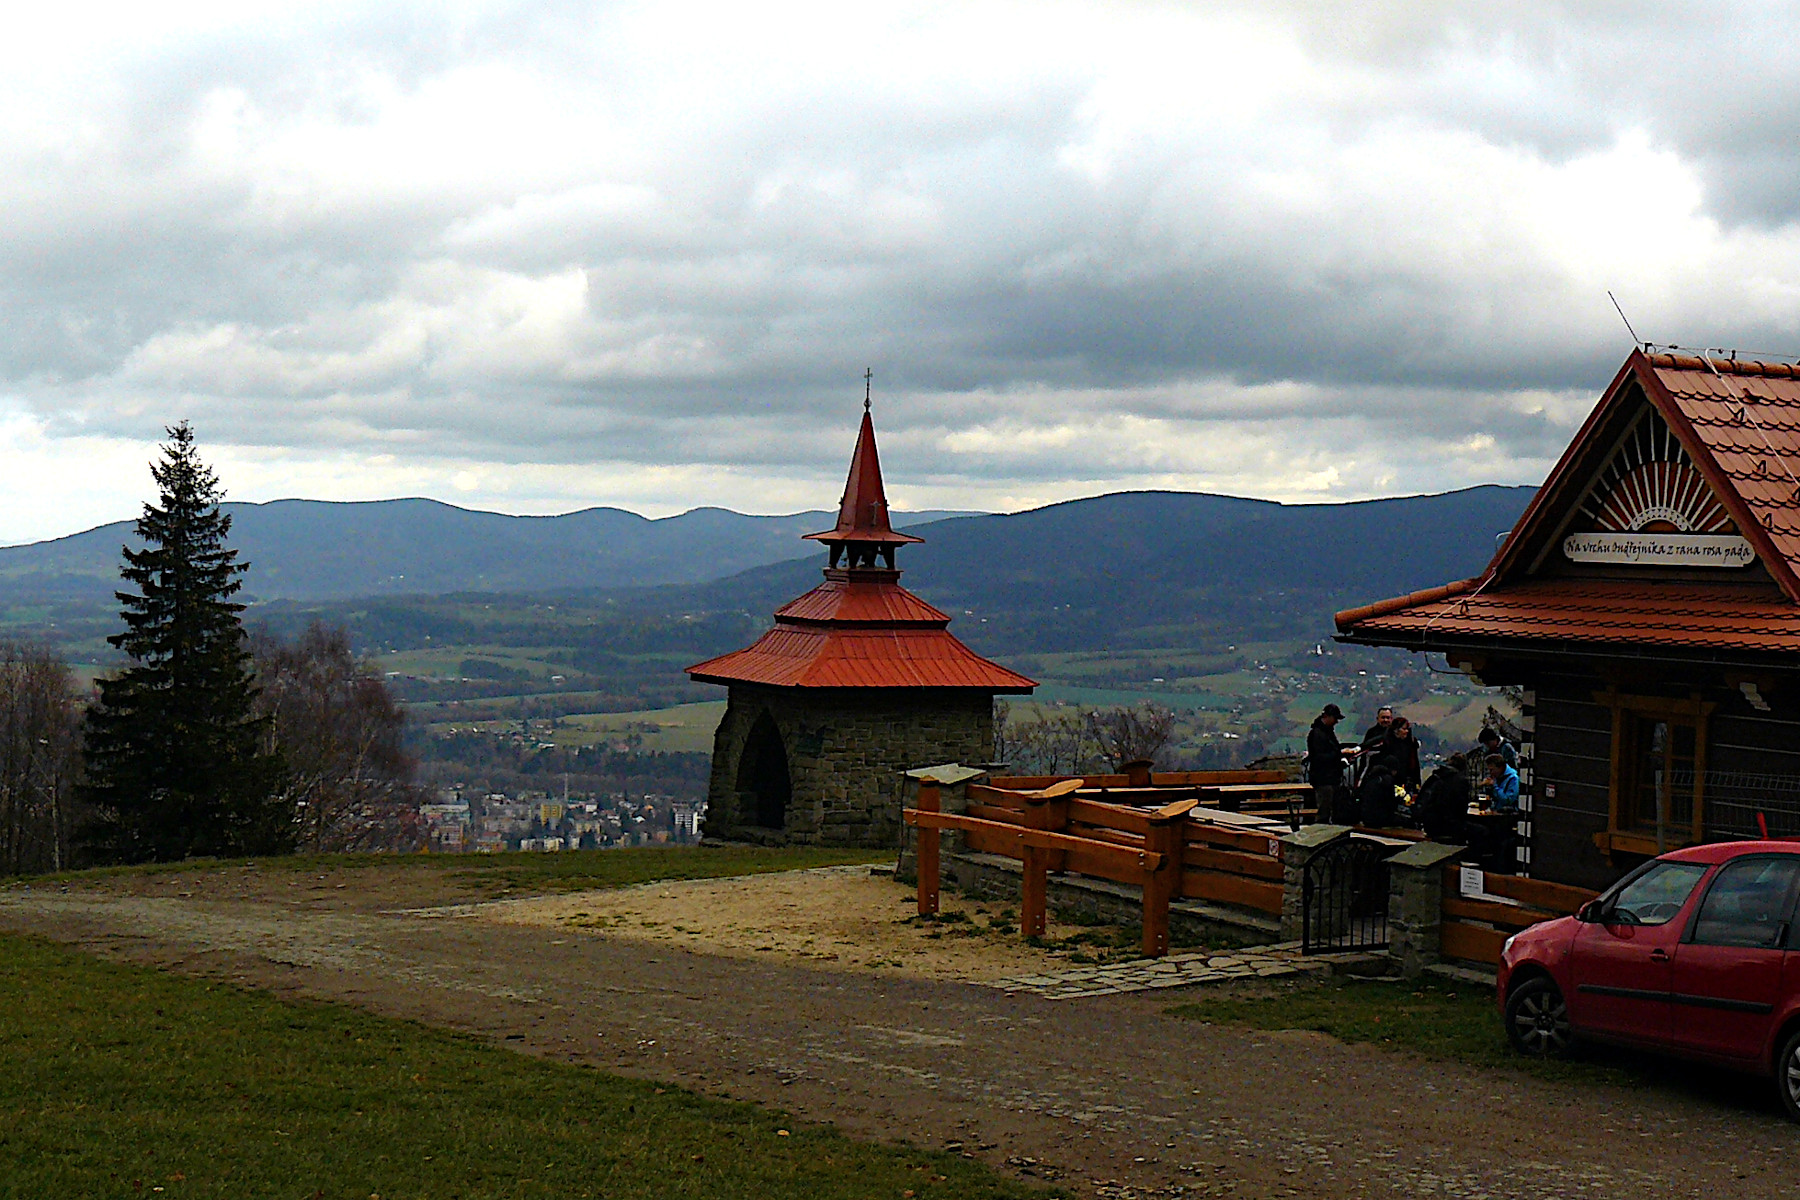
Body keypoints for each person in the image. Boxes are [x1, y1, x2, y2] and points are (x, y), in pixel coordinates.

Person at [1306, 704, 1360, 825]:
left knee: (1332, 810)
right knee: (1324, 811)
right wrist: (1340, 754)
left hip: (1331, 777)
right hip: (1323, 779)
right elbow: (1319, 757)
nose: (1336, 722)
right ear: (1328, 716)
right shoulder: (1317, 734)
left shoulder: (1325, 732)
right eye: (1335, 718)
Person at [1416, 753, 1473, 844]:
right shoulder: (1460, 781)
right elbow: (1461, 809)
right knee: (1482, 831)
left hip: (1429, 824)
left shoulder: (1435, 776)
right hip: (1448, 825)